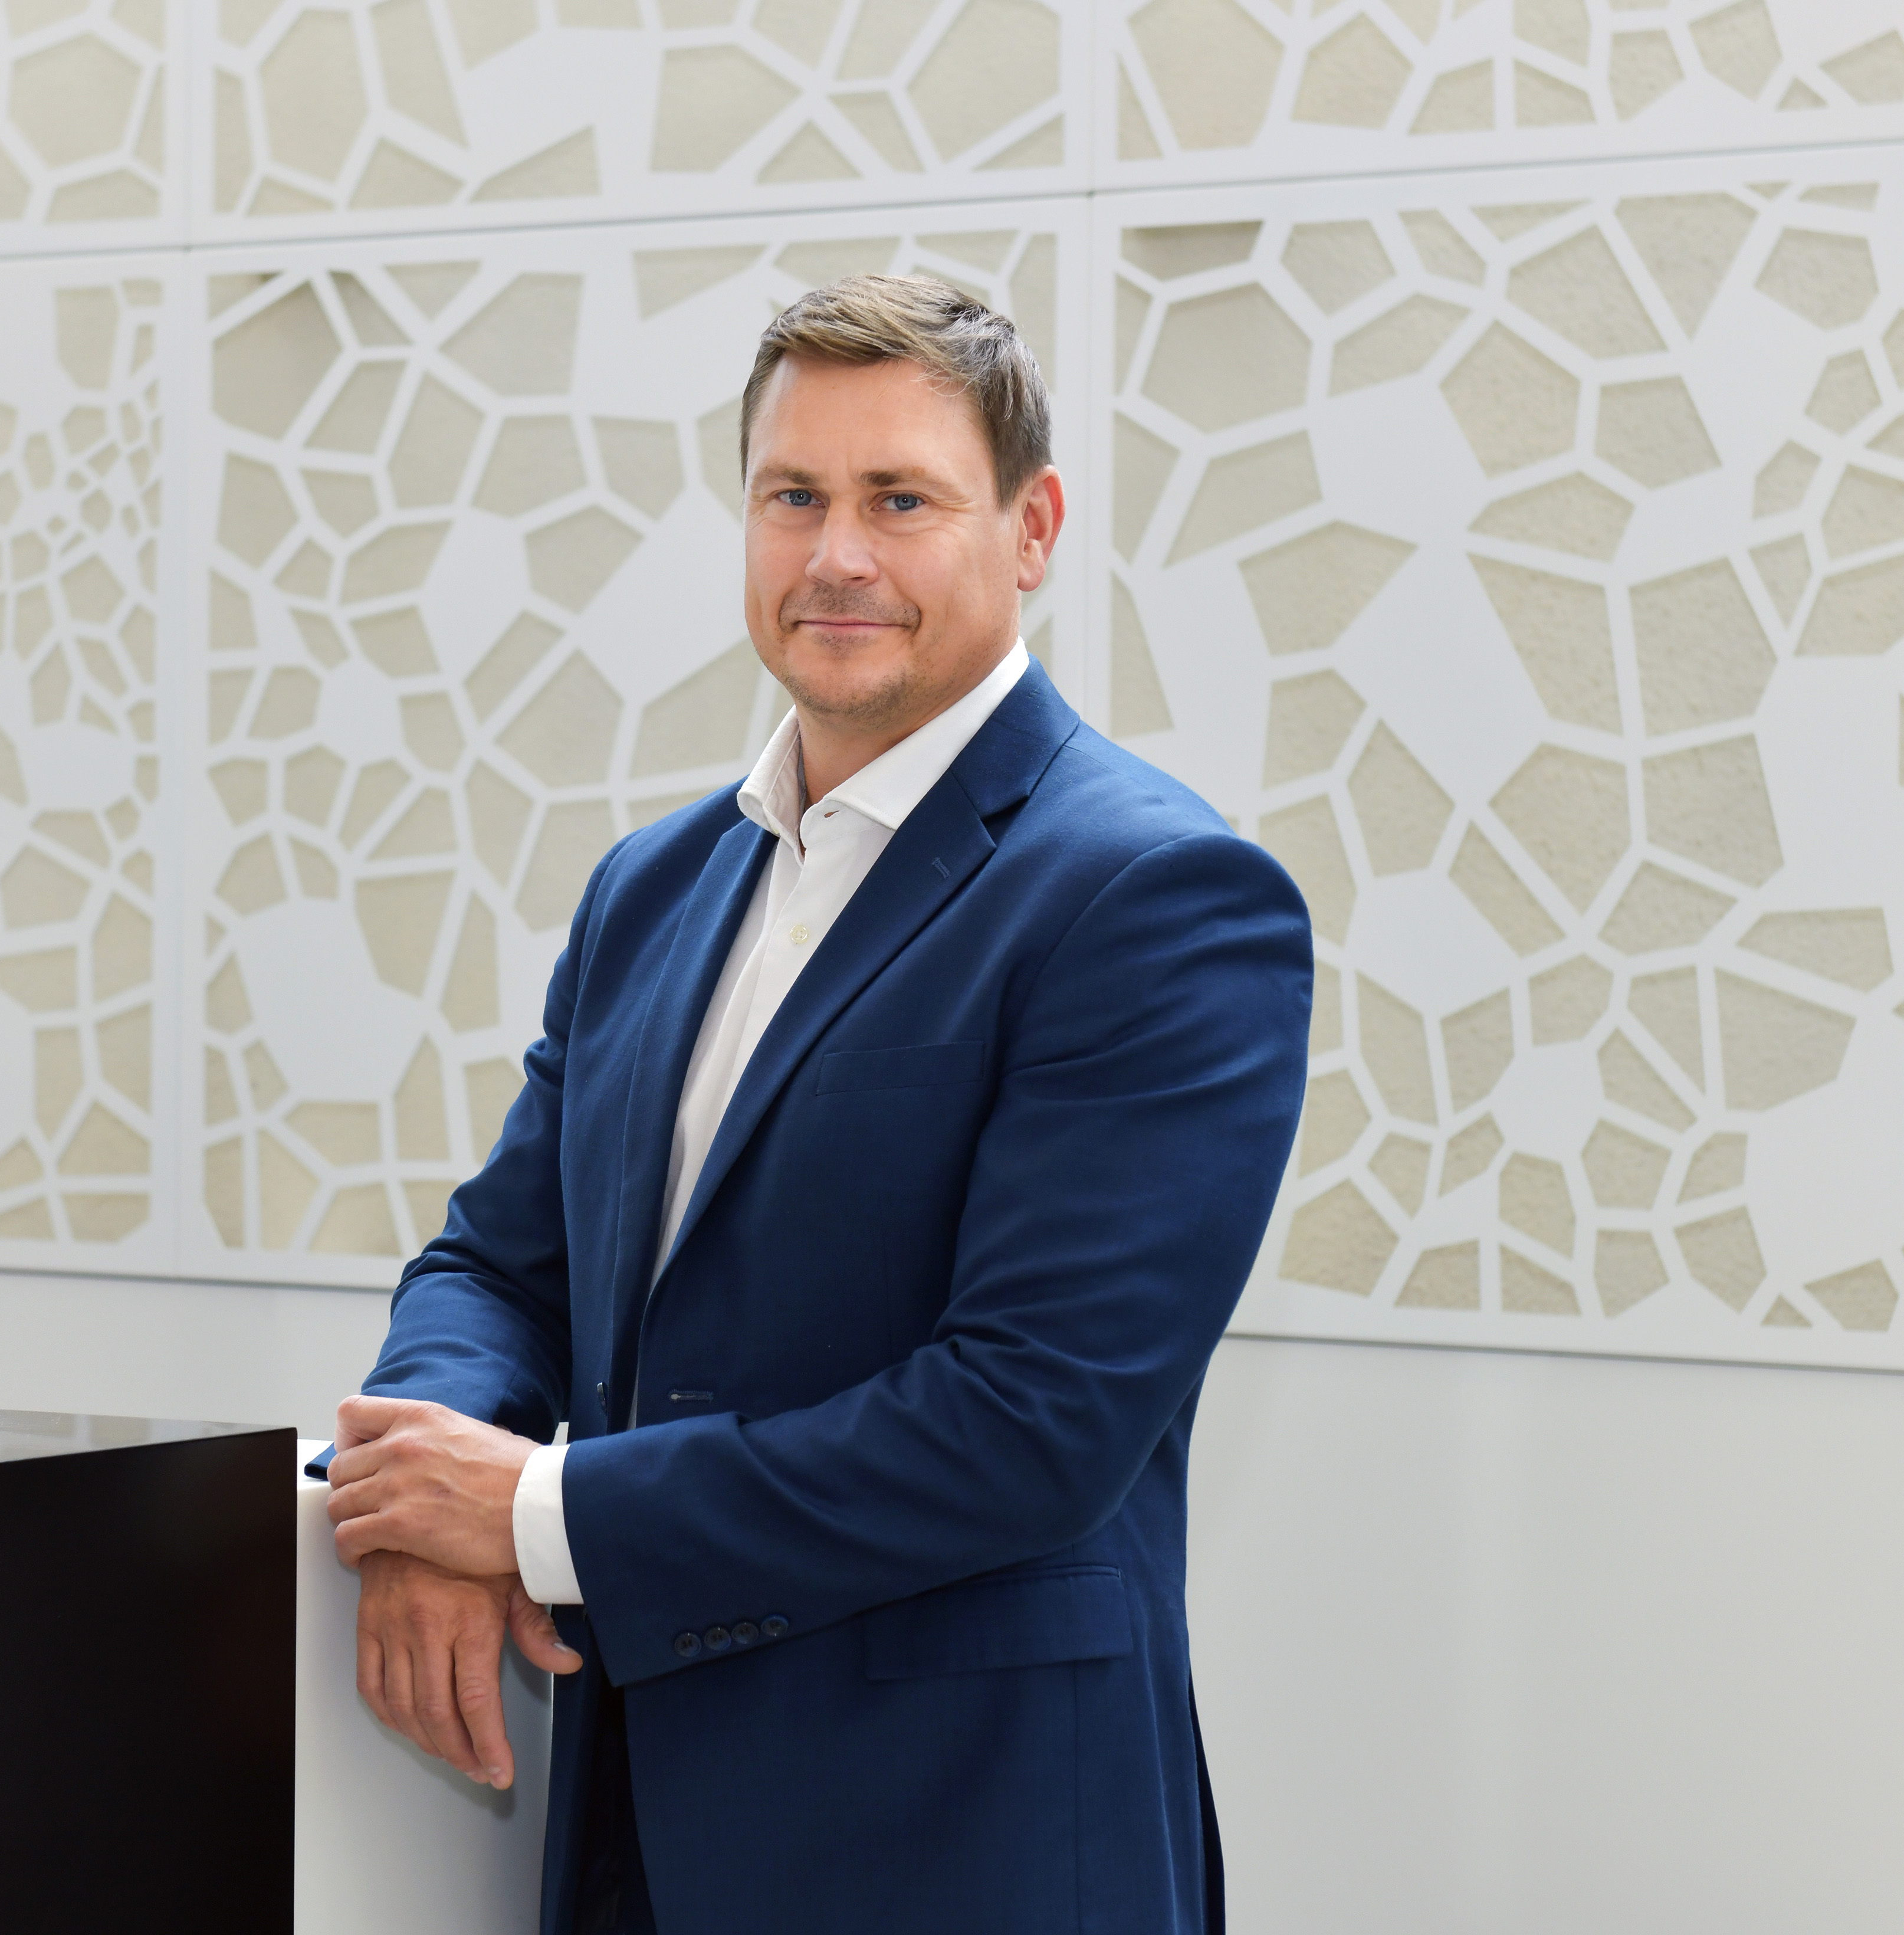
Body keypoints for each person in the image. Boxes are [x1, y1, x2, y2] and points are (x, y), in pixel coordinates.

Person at [317, 273, 1313, 1935]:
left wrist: (532, 1516)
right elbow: (500, 1267)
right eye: (794, 497)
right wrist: (422, 1494)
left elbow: (1030, 1422)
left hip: (965, 1851)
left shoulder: (1155, 896)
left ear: (1031, 530)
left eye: (901, 500)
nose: (837, 555)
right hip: (633, 1835)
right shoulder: (653, 889)